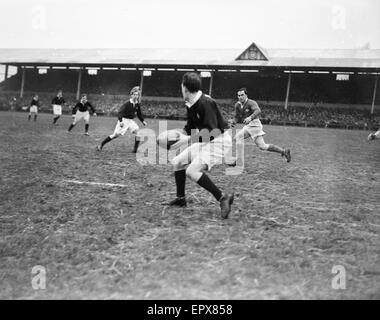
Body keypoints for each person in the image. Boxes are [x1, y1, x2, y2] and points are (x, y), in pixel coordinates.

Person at [168, 72, 234, 219]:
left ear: (185, 88)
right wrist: (176, 135)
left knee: (192, 171)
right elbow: (190, 126)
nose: (181, 88)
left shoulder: (205, 103)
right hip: (206, 140)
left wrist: (187, 140)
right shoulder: (190, 103)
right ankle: (180, 199)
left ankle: (223, 197)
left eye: (181, 85)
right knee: (177, 162)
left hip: (219, 141)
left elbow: (212, 132)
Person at [232, 88, 291, 163]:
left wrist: (250, 117)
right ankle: (284, 151)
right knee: (262, 146)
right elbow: (237, 116)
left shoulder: (251, 103)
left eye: (242, 95)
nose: (240, 97)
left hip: (255, 125)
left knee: (237, 138)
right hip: (248, 126)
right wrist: (233, 121)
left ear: (246, 95)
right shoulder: (237, 105)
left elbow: (258, 110)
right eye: (239, 95)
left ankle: (238, 160)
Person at [96, 86, 146, 152]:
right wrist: (121, 121)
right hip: (123, 120)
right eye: (134, 95)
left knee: (138, 132)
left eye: (137, 95)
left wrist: (143, 121)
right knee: (115, 135)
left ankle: (135, 150)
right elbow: (120, 112)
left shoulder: (137, 104)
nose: (136, 96)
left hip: (130, 121)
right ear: (131, 95)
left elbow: (139, 114)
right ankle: (101, 145)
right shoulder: (127, 103)